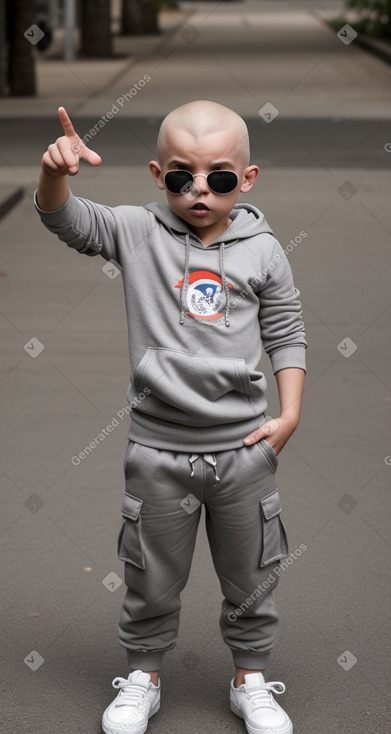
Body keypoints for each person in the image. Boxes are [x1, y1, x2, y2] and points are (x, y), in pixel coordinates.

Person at [35, 100, 307, 734]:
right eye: (182, 176)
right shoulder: (136, 231)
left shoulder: (265, 250)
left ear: (248, 177)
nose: (200, 191)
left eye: (220, 176)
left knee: (253, 572)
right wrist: (56, 172)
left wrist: (289, 415)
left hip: (244, 449)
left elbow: (286, 330)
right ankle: (144, 676)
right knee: (150, 573)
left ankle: (251, 679)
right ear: (158, 176)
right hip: (158, 450)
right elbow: (64, 219)